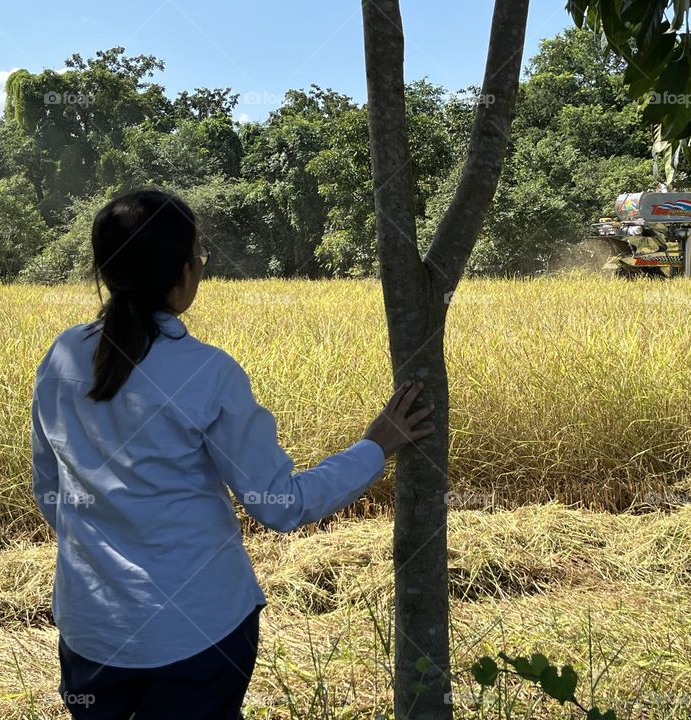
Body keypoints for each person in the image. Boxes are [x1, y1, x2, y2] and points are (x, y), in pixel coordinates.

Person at [30, 188, 435, 719]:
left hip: (91, 633)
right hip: (198, 636)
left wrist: (110, 547)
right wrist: (375, 446)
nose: (201, 264)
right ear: (182, 273)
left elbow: (51, 493)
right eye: (198, 254)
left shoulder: (61, 357)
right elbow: (280, 504)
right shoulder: (206, 372)